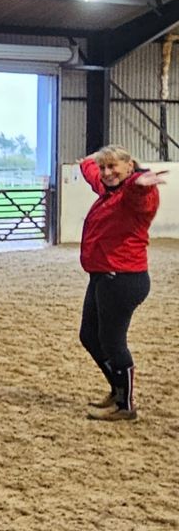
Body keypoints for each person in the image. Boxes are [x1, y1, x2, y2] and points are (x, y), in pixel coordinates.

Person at [77, 145, 166, 421]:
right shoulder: (109, 190)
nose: (106, 172)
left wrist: (140, 186)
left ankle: (126, 405)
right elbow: (93, 173)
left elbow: (141, 200)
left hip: (123, 278)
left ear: (129, 166)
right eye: (104, 167)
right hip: (102, 275)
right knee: (89, 336)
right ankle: (117, 390)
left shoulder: (134, 193)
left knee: (113, 342)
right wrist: (88, 163)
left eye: (113, 166)